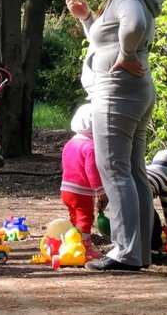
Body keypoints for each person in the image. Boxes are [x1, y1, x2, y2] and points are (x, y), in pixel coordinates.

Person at [64, 0, 165, 271]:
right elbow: (109, 34)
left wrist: (125, 54)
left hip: (117, 95)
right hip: (135, 92)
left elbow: (132, 24)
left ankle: (125, 251)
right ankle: (139, 251)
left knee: (115, 171)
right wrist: (86, 17)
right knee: (133, 171)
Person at [59, 103, 105, 261]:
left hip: (66, 189)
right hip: (81, 191)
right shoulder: (90, 147)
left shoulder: (70, 143)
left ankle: (73, 243)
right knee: (85, 218)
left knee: (75, 217)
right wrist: (100, 191)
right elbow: (92, 172)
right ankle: (85, 249)